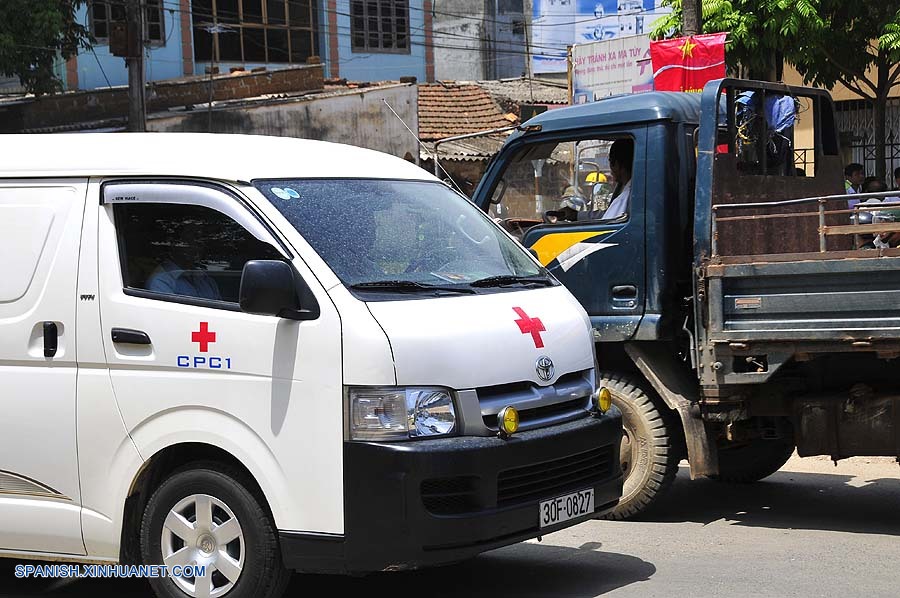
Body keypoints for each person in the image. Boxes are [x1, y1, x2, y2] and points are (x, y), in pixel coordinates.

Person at [146, 225, 222, 300]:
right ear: (174, 244)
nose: (198, 245)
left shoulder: (204, 278)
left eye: (199, 240)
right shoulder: (161, 281)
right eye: (191, 239)